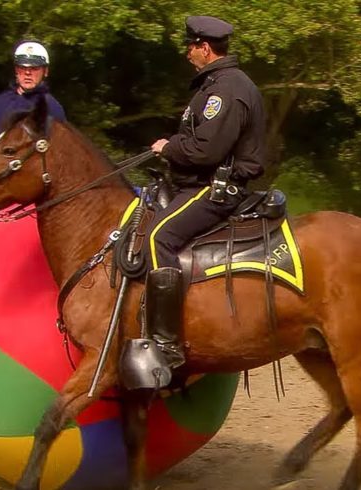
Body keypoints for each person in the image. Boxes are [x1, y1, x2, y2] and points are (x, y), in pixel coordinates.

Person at [146, 15, 267, 369]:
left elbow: (205, 151)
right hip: (198, 182)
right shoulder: (215, 84)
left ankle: (165, 343)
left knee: (158, 238)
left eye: (191, 46)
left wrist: (168, 148)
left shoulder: (226, 90)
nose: (187, 53)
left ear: (205, 47)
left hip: (215, 188)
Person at [0, 40, 67, 156]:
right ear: (16, 70)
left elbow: (57, 153)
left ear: (45, 71)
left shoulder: (52, 107)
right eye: (22, 68)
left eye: (34, 68)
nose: (27, 73)